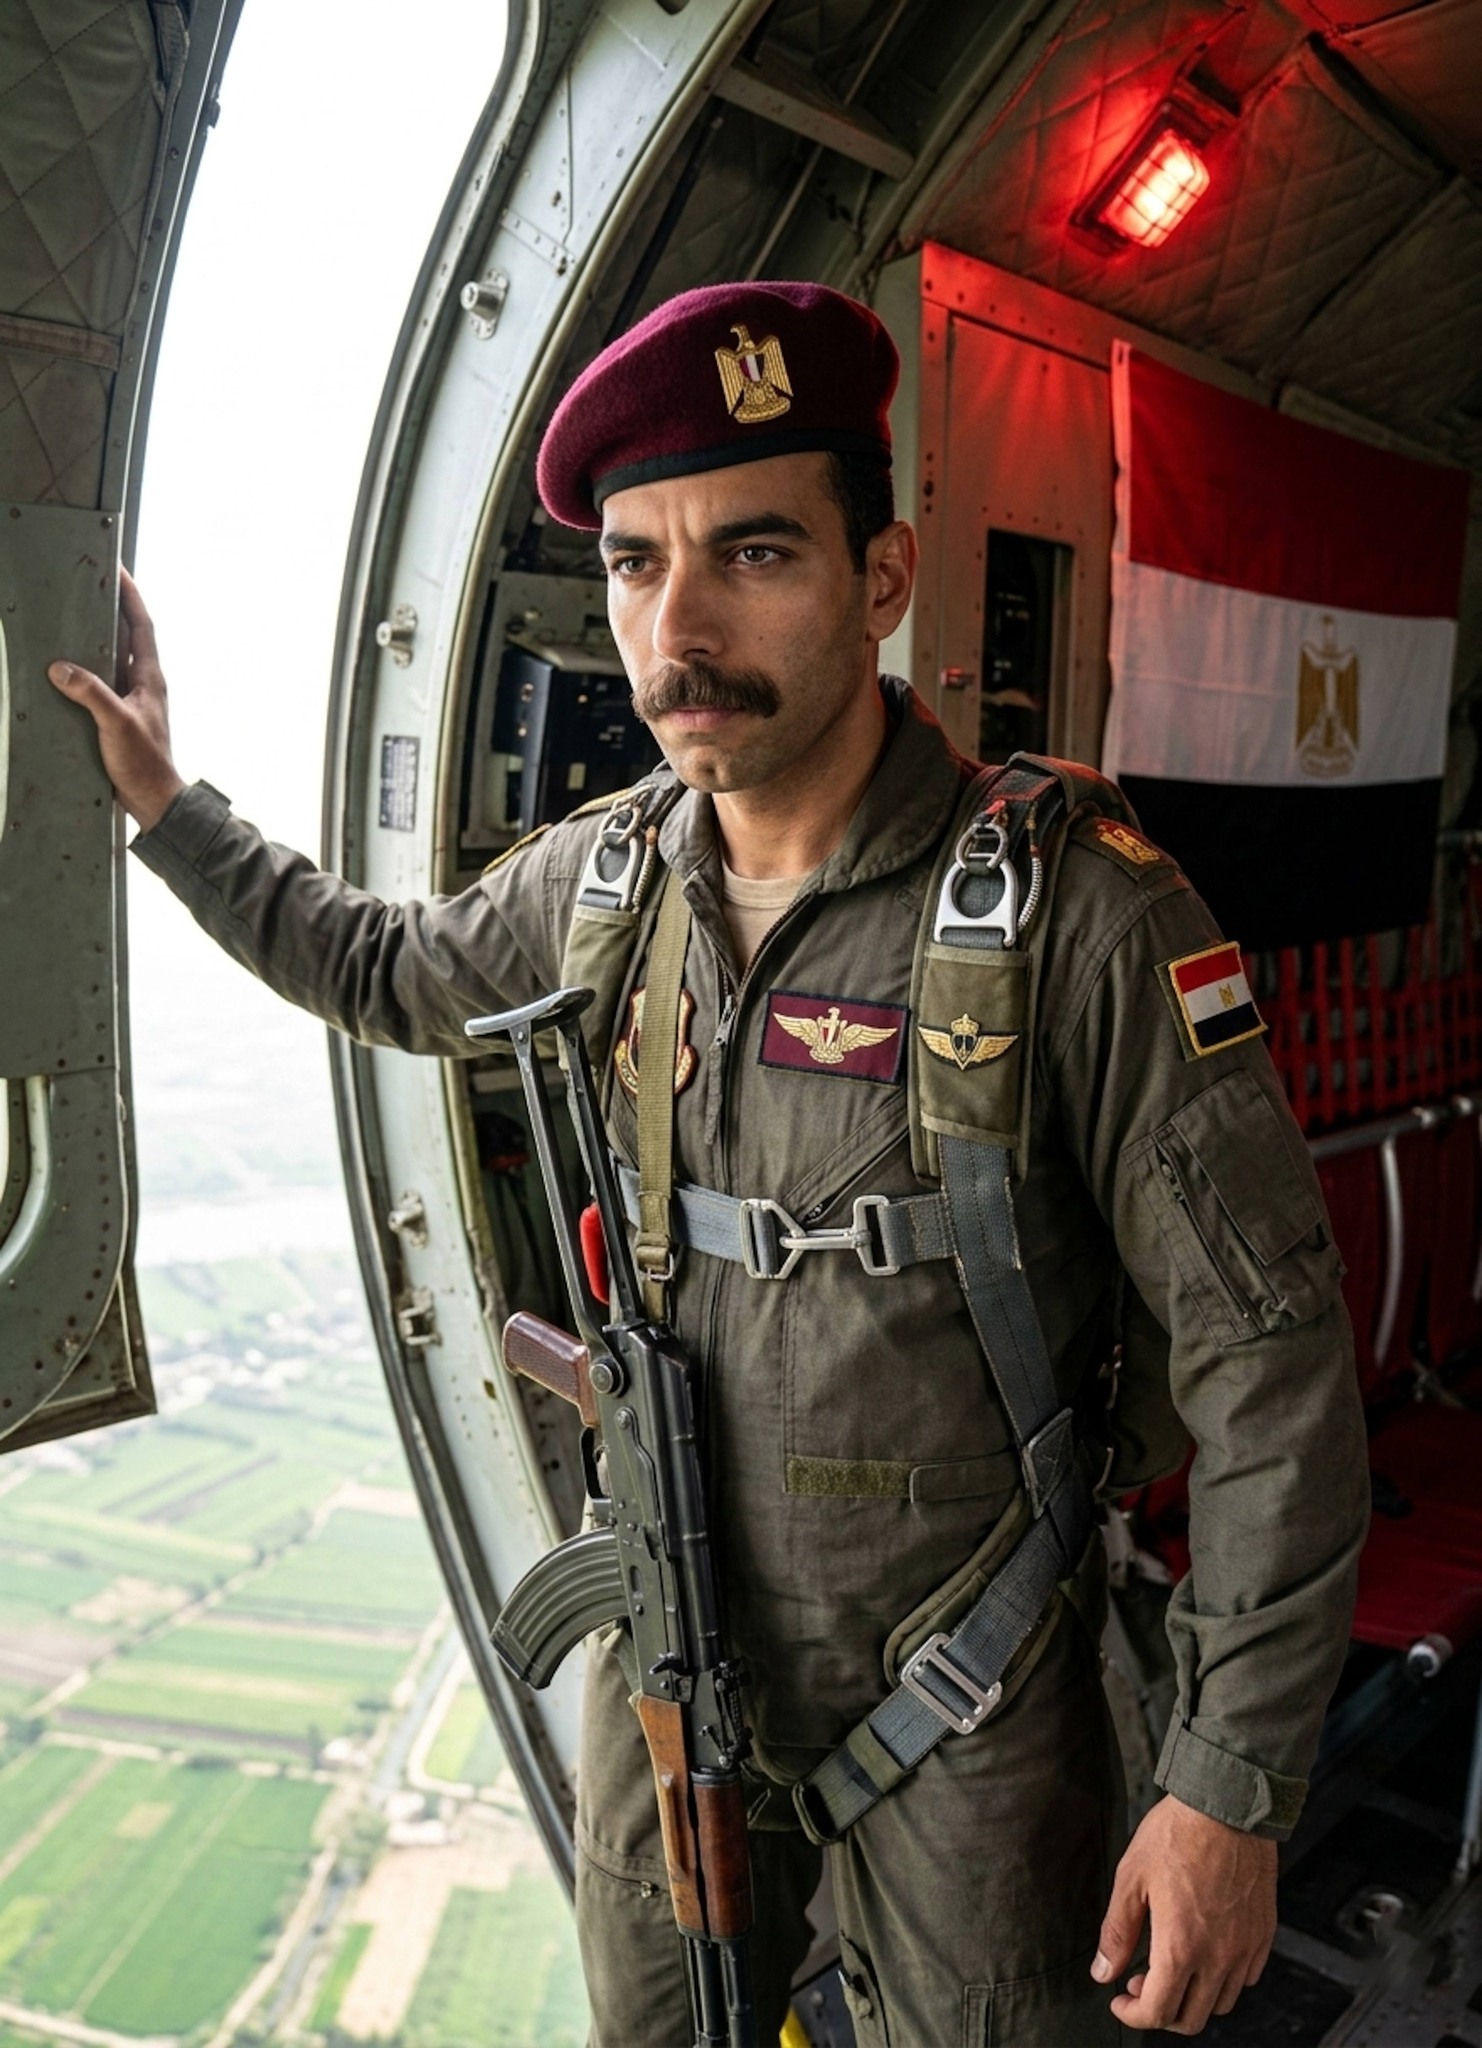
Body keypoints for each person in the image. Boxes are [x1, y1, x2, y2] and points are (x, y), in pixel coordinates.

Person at [50, 281, 1369, 2045]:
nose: (677, 631)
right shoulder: (599, 883)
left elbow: (1268, 1368)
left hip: (976, 1695)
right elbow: (376, 965)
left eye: (752, 555)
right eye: (633, 565)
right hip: (671, 1648)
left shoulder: (1072, 913)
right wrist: (166, 805)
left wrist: (1227, 1789)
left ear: (880, 578)